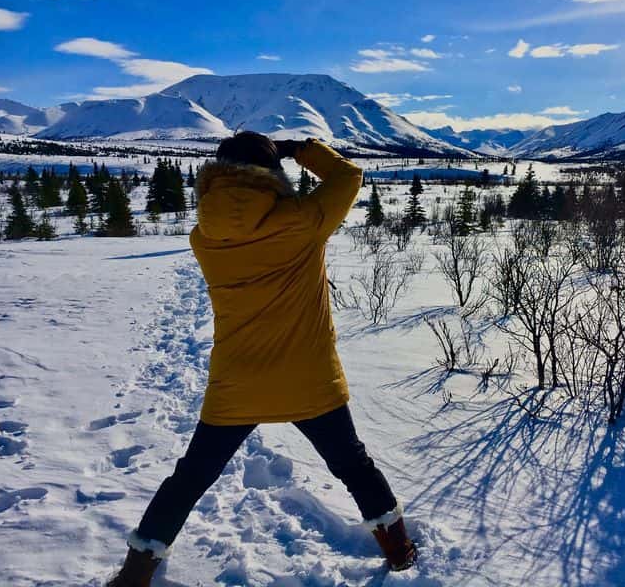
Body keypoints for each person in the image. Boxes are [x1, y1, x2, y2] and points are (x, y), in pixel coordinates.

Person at [108, 133, 416, 586]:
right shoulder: (305, 220)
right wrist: (301, 148)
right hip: (309, 381)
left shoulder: (203, 236)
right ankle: (399, 553)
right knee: (354, 467)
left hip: (237, 384)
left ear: (218, 174)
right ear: (273, 174)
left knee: (190, 478)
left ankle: (135, 574)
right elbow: (348, 175)